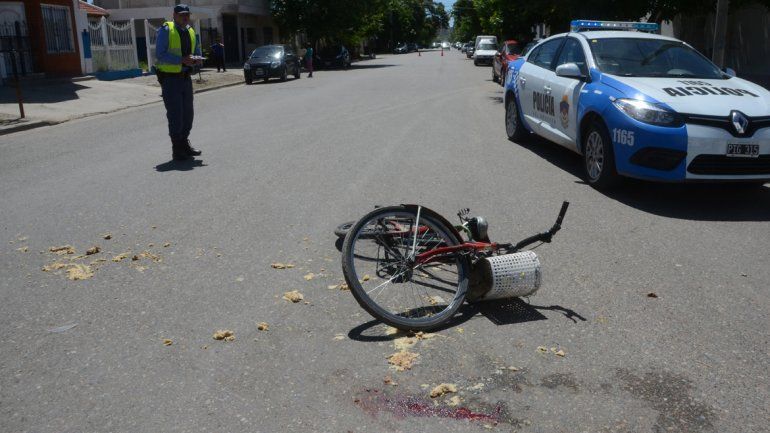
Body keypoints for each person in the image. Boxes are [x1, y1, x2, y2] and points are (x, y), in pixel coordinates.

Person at [155, 4, 203, 161]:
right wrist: (181, 59)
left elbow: (195, 51)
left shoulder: (190, 30)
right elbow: (160, 54)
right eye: (182, 14)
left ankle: (184, 144)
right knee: (176, 115)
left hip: (185, 78)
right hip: (170, 79)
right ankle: (177, 149)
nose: (185, 17)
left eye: (187, 14)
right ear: (174, 15)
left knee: (188, 114)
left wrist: (196, 59)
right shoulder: (166, 30)